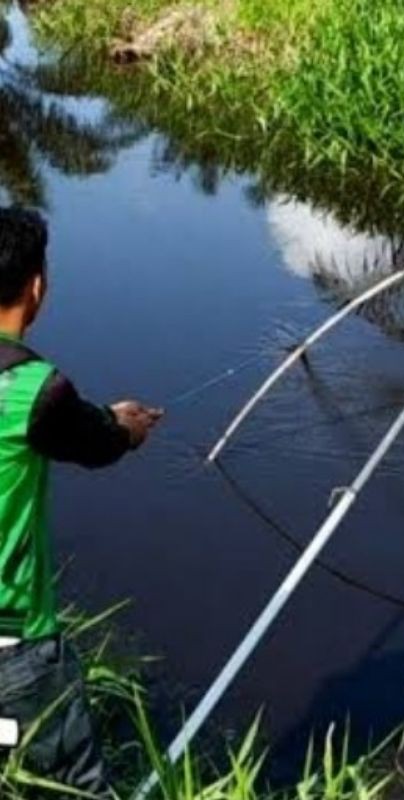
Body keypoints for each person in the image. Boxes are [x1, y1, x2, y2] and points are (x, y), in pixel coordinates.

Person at [0, 207, 162, 797]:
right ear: (36, 287)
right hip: (13, 647)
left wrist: (107, 421)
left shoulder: (44, 398)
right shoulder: (36, 390)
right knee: (76, 785)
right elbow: (101, 444)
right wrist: (128, 426)